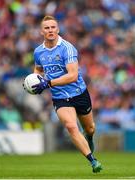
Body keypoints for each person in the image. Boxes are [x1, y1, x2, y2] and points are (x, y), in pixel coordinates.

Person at [31, 15, 102, 173]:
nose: (50, 30)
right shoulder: (38, 52)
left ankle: (88, 137)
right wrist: (35, 81)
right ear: (41, 31)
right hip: (60, 97)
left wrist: (48, 83)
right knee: (71, 126)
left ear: (58, 29)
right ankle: (93, 161)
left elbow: (73, 76)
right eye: (47, 28)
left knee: (90, 129)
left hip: (79, 93)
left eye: (53, 27)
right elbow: (38, 69)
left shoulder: (67, 48)